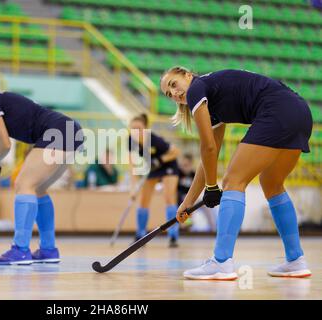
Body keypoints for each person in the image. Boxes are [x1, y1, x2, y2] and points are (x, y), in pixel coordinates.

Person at [160, 67, 312, 279]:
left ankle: (221, 262)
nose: (174, 94)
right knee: (272, 183)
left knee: (233, 181)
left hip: (275, 110)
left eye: (173, 85)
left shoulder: (197, 89)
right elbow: (209, 154)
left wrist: (212, 187)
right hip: (299, 112)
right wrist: (189, 201)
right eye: (169, 94)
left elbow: (207, 147)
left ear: (187, 75)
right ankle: (296, 260)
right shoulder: (210, 98)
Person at [0, 66, 83, 265]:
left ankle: (20, 249)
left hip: (58, 131)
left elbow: (4, 145)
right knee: (38, 188)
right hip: (70, 130)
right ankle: (48, 249)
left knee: (23, 184)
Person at [128, 113, 181, 247]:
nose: (136, 131)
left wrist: (160, 160)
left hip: (168, 165)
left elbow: (175, 151)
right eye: (133, 128)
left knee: (169, 198)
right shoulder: (130, 141)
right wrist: (133, 189)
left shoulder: (154, 139)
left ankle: (173, 235)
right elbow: (132, 167)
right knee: (143, 201)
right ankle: (140, 234)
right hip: (152, 168)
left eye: (139, 128)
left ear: (145, 128)